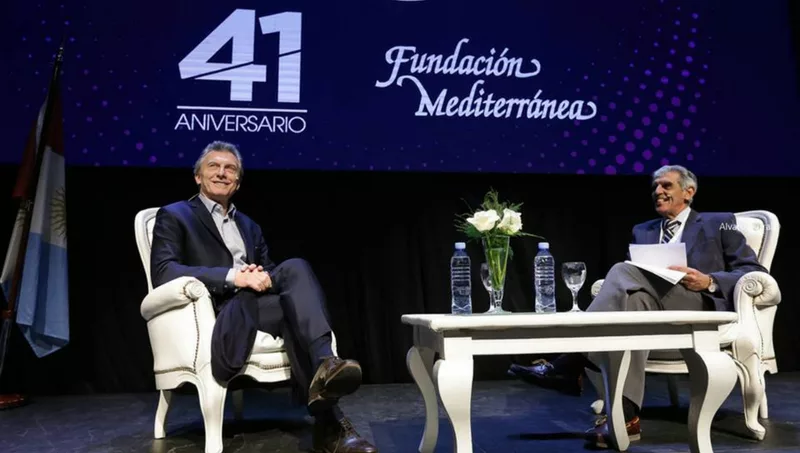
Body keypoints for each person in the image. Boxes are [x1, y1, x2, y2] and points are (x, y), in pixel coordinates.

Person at [509, 165, 766, 448]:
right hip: (654, 309)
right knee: (633, 302)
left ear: (689, 192)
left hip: (699, 305)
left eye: (666, 185)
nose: (658, 191)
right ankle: (626, 417)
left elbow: (753, 272)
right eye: (655, 186)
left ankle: (572, 360)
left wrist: (709, 281)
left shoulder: (719, 223)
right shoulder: (643, 230)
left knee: (622, 269)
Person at [150, 141, 378, 453]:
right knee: (293, 310)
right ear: (198, 177)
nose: (222, 173)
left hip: (257, 307)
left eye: (230, 169)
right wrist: (235, 276)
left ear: (237, 182)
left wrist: (261, 276)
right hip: (218, 311)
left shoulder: (249, 226)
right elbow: (164, 271)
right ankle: (331, 421)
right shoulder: (175, 215)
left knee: (294, 271)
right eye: (213, 166)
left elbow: (270, 272)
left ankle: (327, 368)